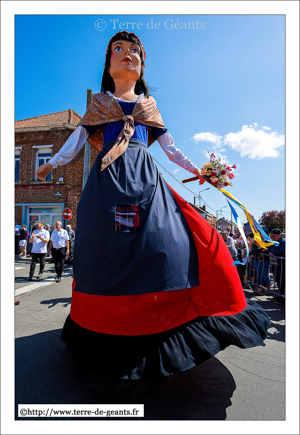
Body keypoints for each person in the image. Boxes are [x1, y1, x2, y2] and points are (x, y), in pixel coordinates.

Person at [35, 31, 270, 380]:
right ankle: (106, 320)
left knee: (174, 240)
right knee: (105, 247)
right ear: (108, 62)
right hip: (107, 181)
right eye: (118, 49)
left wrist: (202, 171)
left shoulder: (148, 108)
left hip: (145, 180)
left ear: (142, 65)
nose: (126, 54)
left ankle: (170, 315)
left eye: (134, 51)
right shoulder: (98, 105)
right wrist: (51, 164)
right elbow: (76, 141)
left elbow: (171, 150)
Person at [261, 229, 285, 305]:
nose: (272, 237)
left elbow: (281, 252)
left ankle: (283, 297)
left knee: (282, 281)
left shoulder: (283, 242)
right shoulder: (275, 242)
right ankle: (280, 295)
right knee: (278, 281)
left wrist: (268, 250)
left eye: (274, 236)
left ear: (280, 235)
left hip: (281, 265)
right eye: (271, 236)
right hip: (276, 264)